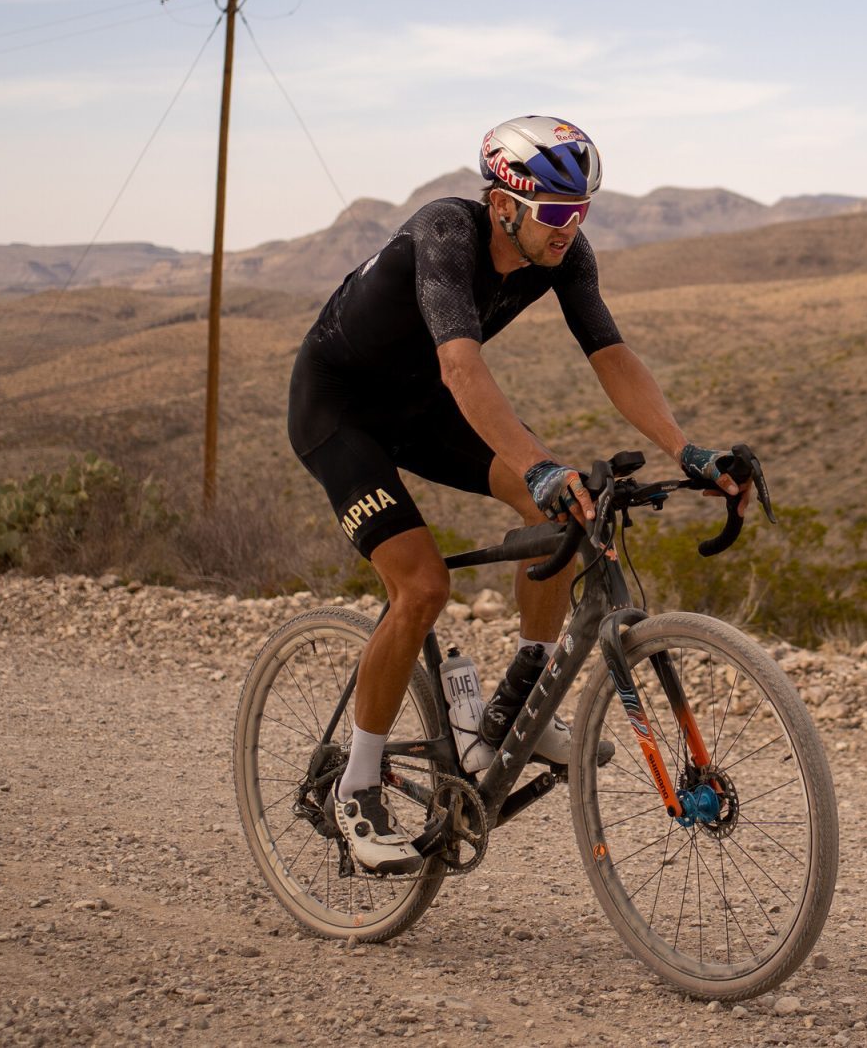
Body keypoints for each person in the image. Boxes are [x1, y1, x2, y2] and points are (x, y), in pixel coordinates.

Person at [286, 115, 749, 874]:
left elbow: (612, 354)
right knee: (423, 586)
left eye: (583, 211)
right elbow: (463, 368)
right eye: (557, 212)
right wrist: (536, 461)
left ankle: (517, 708)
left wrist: (686, 449)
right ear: (504, 205)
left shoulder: (562, 255)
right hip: (341, 411)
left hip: (423, 404)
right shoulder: (446, 234)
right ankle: (358, 786)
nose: (572, 227)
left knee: (558, 509)